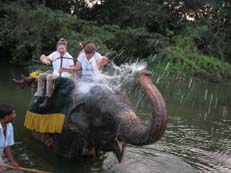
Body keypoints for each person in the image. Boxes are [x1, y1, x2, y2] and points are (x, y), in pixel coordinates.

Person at [34, 38, 74, 109]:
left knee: (49, 76)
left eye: (62, 48)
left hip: (64, 76)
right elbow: (46, 59)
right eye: (59, 48)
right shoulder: (55, 54)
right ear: (57, 48)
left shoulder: (69, 57)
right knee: (41, 76)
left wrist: (65, 69)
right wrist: (44, 59)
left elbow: (72, 70)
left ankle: (47, 98)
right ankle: (39, 96)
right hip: (55, 74)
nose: (60, 50)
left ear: (65, 49)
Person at [0, 104, 18, 171]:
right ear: (6, 117)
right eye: (13, 114)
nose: (15, 115)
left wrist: (12, 162)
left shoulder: (9, 126)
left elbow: (7, 146)